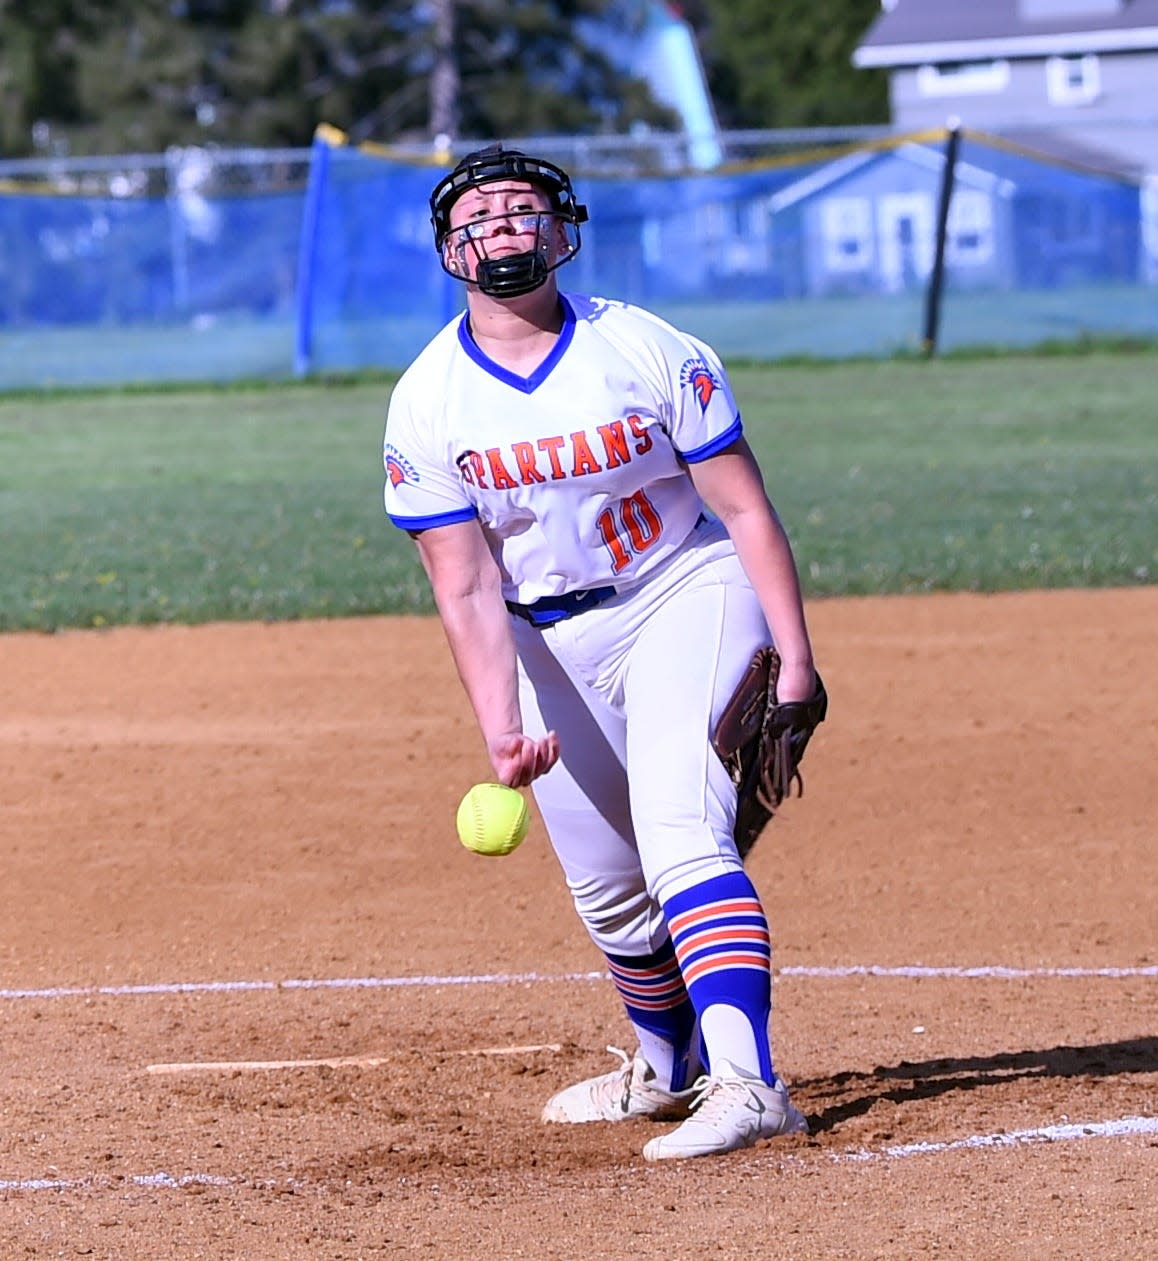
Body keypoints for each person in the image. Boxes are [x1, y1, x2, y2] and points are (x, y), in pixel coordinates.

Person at [382, 144, 820, 1160]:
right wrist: (500, 726)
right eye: (481, 218)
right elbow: (462, 584)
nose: (505, 229)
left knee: (679, 834)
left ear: (561, 227)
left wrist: (793, 658)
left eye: (523, 211)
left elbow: (745, 506)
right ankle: (666, 1070)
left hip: (682, 588)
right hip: (546, 636)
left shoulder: (648, 347)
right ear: (451, 249)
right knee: (610, 881)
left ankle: (748, 1083)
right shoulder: (427, 398)